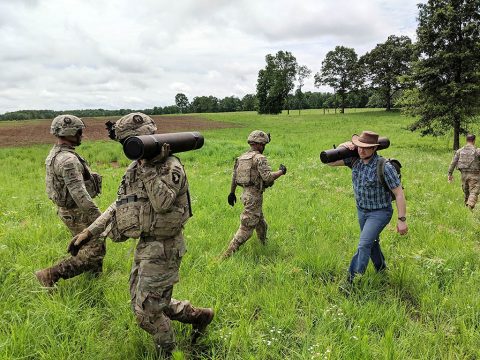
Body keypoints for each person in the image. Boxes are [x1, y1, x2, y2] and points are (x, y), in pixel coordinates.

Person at [67, 112, 213, 357]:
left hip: (165, 246)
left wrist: (148, 169)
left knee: (147, 313)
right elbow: (120, 204)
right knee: (146, 301)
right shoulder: (135, 167)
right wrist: (88, 233)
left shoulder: (170, 165)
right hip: (146, 245)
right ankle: (200, 316)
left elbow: (163, 203)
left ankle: (167, 354)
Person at [327, 130, 408, 284]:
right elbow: (329, 162)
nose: (361, 150)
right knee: (372, 242)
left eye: (365, 147)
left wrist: (402, 219)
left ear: (375, 148)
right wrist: (342, 146)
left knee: (364, 244)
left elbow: (398, 193)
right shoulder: (354, 160)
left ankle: (352, 282)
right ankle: (381, 269)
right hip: (362, 211)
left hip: (380, 212)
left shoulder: (384, 166)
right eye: (359, 146)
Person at [35, 115, 105, 287]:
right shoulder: (67, 160)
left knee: (88, 246)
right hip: (77, 212)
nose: (82, 135)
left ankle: (94, 280)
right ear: (69, 132)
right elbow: (79, 193)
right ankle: (50, 274)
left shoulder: (59, 153)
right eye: (79, 131)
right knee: (94, 251)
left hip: (71, 211)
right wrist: (99, 218)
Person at [222, 130, 287, 258]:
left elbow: (234, 176)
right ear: (258, 144)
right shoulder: (259, 158)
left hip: (245, 194)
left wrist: (232, 193)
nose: (264, 147)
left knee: (261, 223)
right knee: (246, 228)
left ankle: (263, 245)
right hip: (254, 197)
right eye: (263, 145)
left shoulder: (242, 157)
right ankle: (225, 256)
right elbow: (267, 178)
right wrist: (281, 172)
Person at [447, 134, 480, 209]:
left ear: (466, 140)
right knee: (474, 191)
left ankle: (467, 209)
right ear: (474, 140)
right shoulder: (477, 151)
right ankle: (469, 205)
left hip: (463, 174)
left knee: (466, 192)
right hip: (475, 174)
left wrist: (449, 174)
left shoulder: (459, 151)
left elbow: (453, 162)